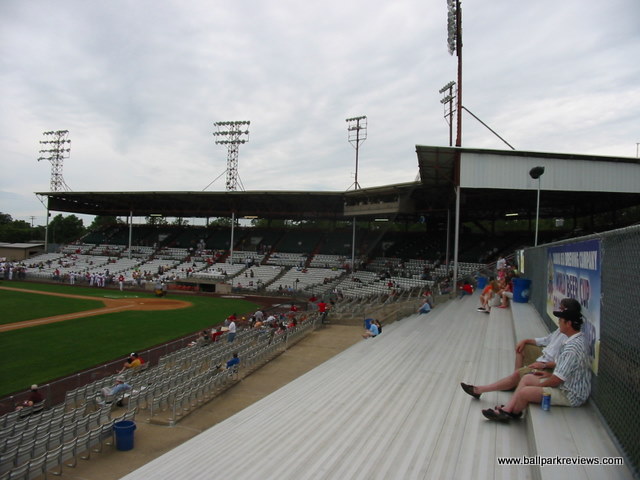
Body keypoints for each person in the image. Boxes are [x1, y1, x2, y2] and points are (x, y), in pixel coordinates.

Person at [481, 306, 591, 422]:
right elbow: (565, 373)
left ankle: (511, 413)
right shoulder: (577, 338)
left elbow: (556, 381)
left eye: (561, 320)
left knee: (525, 392)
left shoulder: (572, 348)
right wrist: (548, 376)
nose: (558, 322)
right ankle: (508, 409)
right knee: (527, 378)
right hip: (567, 384)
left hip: (570, 394)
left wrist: (537, 386)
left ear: (568, 323)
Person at [461, 298, 581, 400]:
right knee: (521, 348)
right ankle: (515, 380)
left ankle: (479, 390)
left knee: (520, 373)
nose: (559, 311)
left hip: (548, 365)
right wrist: (525, 341)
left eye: (561, 308)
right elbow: (546, 340)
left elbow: (561, 364)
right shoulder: (562, 328)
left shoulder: (571, 338)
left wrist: (544, 365)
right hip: (544, 356)